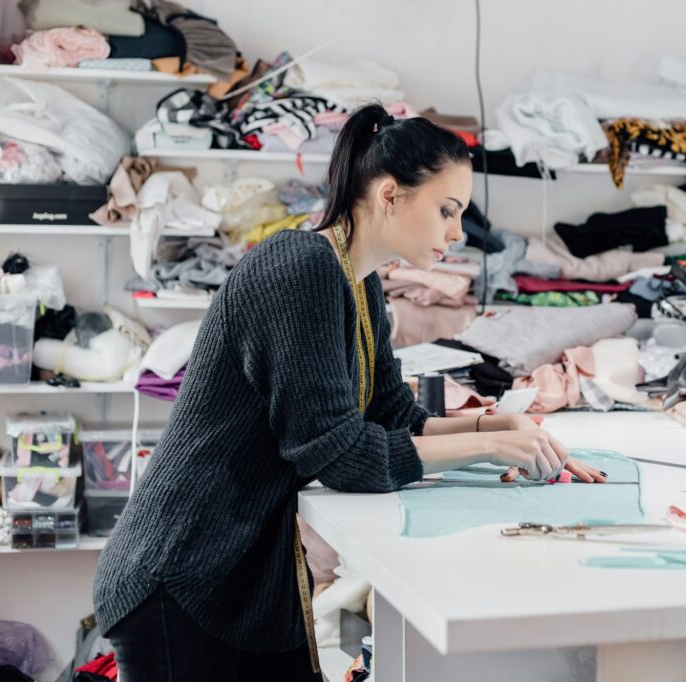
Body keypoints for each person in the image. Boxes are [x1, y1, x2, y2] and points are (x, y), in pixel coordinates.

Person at [94, 103, 606, 681]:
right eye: (446, 210)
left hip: (245, 581)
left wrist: (499, 427)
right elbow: (336, 454)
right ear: (390, 195)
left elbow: (394, 417)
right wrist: (488, 449)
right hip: (184, 574)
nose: (459, 233)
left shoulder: (359, 284)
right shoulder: (301, 267)